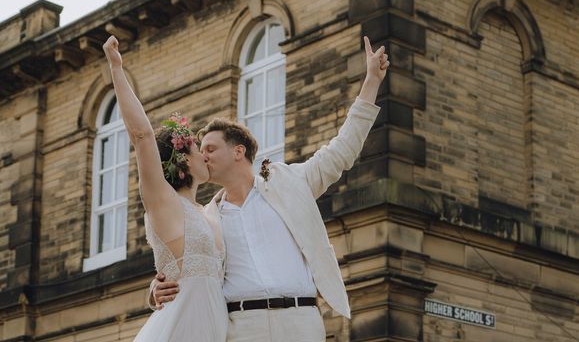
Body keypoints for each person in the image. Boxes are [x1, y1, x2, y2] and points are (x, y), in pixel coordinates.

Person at [150, 36, 389, 341]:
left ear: (238, 151)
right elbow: (182, 261)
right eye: (201, 149)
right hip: (241, 326)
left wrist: (371, 82)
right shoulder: (207, 218)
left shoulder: (290, 183)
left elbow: (342, 150)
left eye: (210, 147)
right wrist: (155, 288)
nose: (202, 155)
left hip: (301, 320)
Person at [102, 36, 228, 341]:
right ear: (181, 159)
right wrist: (117, 69)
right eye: (198, 147)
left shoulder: (211, 211)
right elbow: (142, 135)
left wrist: (153, 288)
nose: (205, 154)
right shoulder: (165, 204)